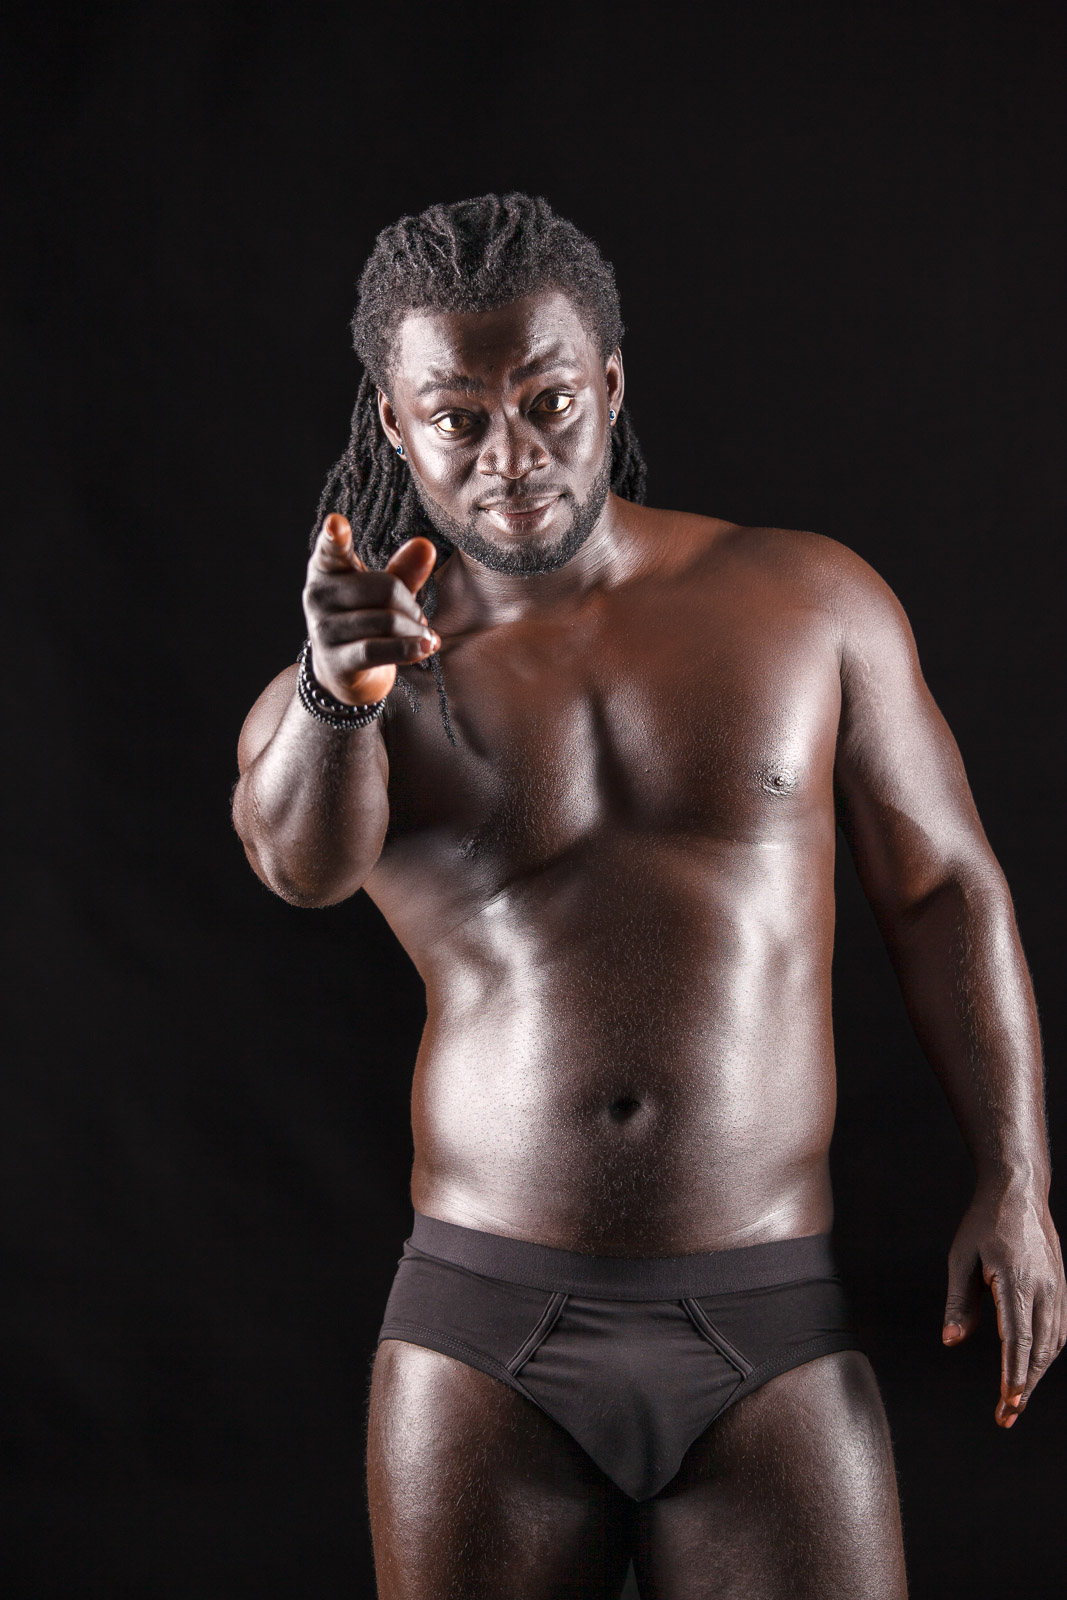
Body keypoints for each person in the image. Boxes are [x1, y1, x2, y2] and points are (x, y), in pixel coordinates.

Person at [232, 194, 1064, 1598]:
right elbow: (297, 866)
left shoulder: (807, 600)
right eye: (458, 419)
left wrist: (1017, 1177)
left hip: (767, 1310)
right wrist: (337, 695)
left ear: (610, 385)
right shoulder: (369, 678)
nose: (511, 456)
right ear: (395, 426)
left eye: (548, 402)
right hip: (486, 1325)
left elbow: (941, 888)